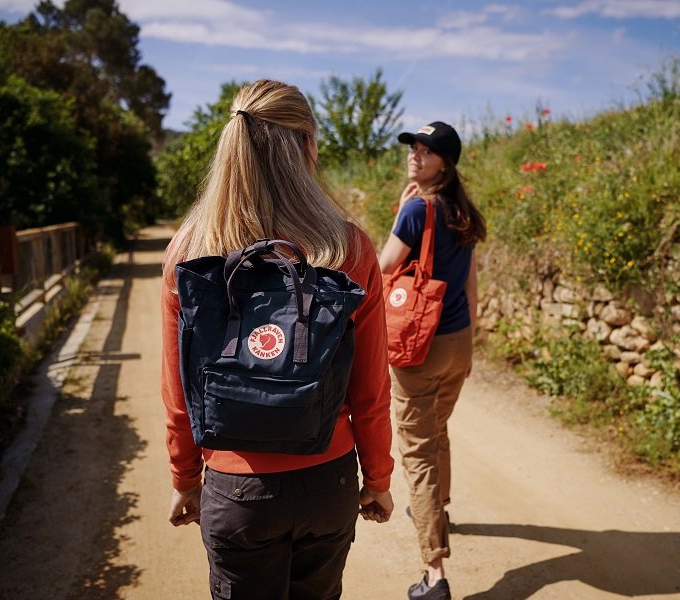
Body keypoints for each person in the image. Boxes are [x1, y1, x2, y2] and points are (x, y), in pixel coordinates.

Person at [160, 79, 394, 599]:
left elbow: (179, 394)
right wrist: (376, 477)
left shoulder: (190, 249)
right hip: (327, 479)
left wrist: (184, 478)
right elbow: (371, 388)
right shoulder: (345, 246)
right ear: (308, 146)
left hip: (235, 487)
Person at [379, 121, 486, 600]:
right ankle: (438, 505)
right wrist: (470, 335)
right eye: (413, 148)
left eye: (426, 151)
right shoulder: (463, 209)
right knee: (437, 428)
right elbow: (470, 283)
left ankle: (435, 575)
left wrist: (401, 212)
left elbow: (382, 267)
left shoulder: (416, 209)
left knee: (417, 452)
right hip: (457, 341)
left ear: (445, 161)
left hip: (417, 346)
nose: (415, 156)